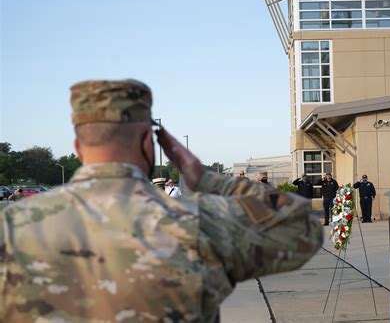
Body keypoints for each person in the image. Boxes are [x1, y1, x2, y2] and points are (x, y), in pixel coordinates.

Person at [0, 79, 323, 322]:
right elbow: (302, 224)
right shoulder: (196, 221)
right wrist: (207, 179)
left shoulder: (11, 228)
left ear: (77, 147)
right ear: (148, 141)